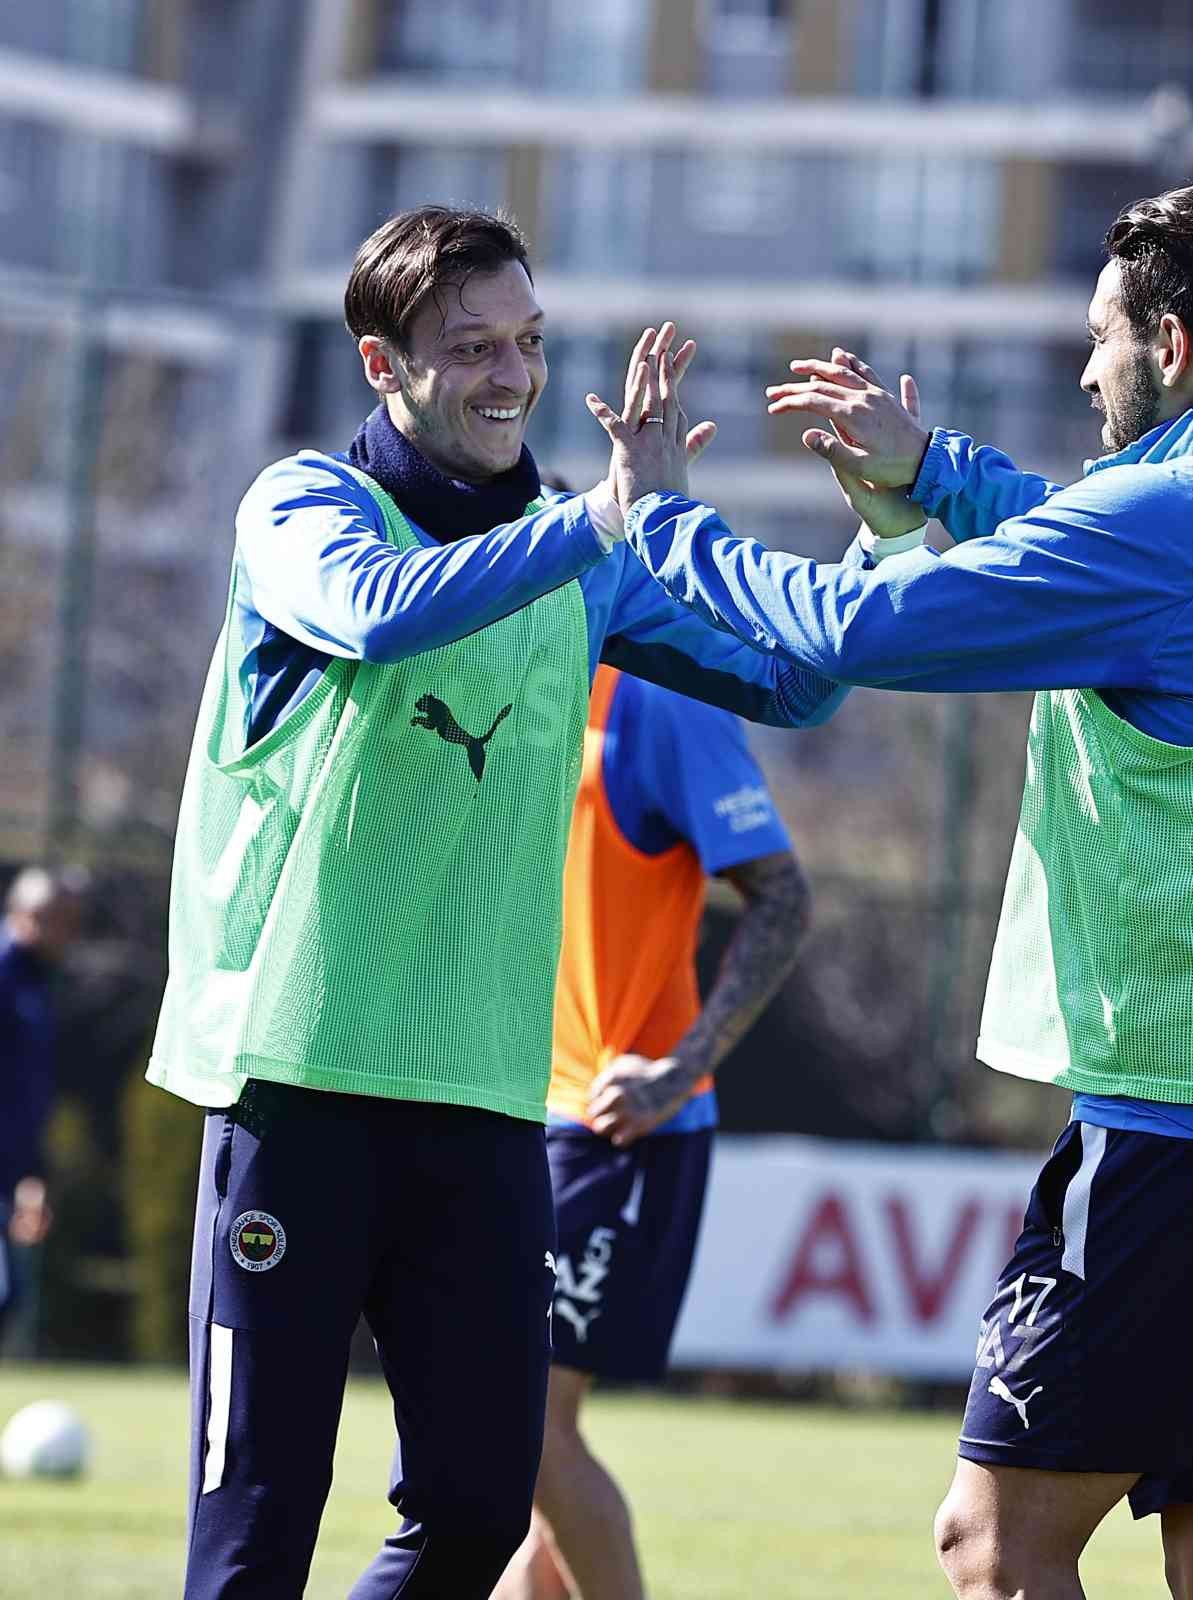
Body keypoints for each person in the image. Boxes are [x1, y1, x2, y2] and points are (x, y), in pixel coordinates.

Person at [597, 185, 1193, 1599]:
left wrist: (665, 526)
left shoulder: (1165, 522)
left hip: (1185, 1124)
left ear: (1166, 346)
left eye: (1098, 337)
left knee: (992, 1549)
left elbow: (859, 626)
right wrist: (930, 471)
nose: (1081, 366)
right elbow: (1085, 541)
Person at [145, 204, 844, 1600]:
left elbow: (797, 680)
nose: (510, 376)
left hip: (479, 1110)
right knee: (252, 1543)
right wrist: (599, 516)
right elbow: (381, 609)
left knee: (473, 1518)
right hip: (297, 1090)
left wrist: (885, 519)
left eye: (525, 342)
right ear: (378, 362)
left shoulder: (576, 560)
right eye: (469, 348)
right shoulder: (300, 508)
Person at [494, 665, 809, 1600]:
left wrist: (679, 1069)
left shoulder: (656, 701)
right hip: (509, 1113)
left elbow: (784, 897)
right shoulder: (493, 661)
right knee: (516, 1444)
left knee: (526, 1429)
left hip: (613, 1129)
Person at [0, 866, 85, 1346]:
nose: (71, 937)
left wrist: (32, 1177)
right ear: (31, 916)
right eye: (64, 923)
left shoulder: (35, 985)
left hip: (11, 1174)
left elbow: (26, 1096)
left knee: (12, 1297)